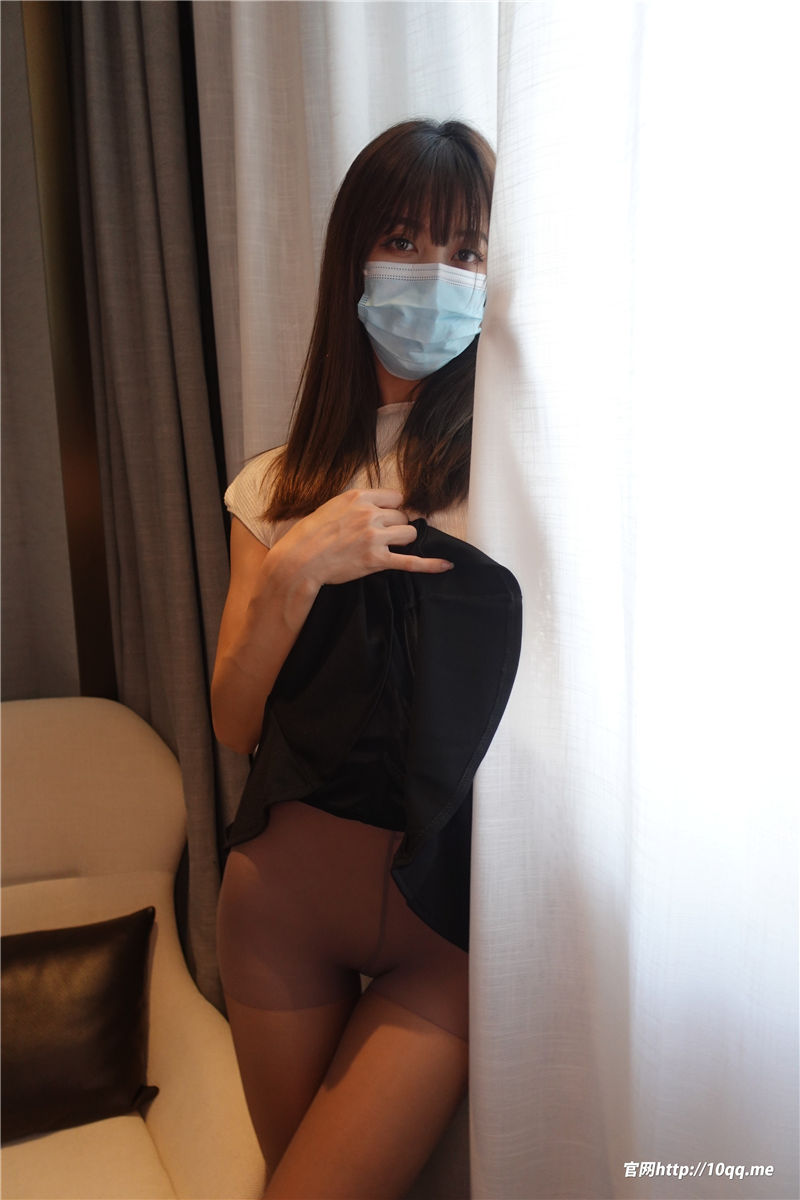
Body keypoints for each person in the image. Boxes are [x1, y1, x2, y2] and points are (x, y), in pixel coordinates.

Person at [212, 118, 504, 1200]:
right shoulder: (275, 484)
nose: (436, 274)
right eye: (404, 240)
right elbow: (233, 724)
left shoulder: (515, 468)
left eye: (466, 250)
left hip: (444, 931)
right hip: (278, 913)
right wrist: (295, 568)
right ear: (354, 260)